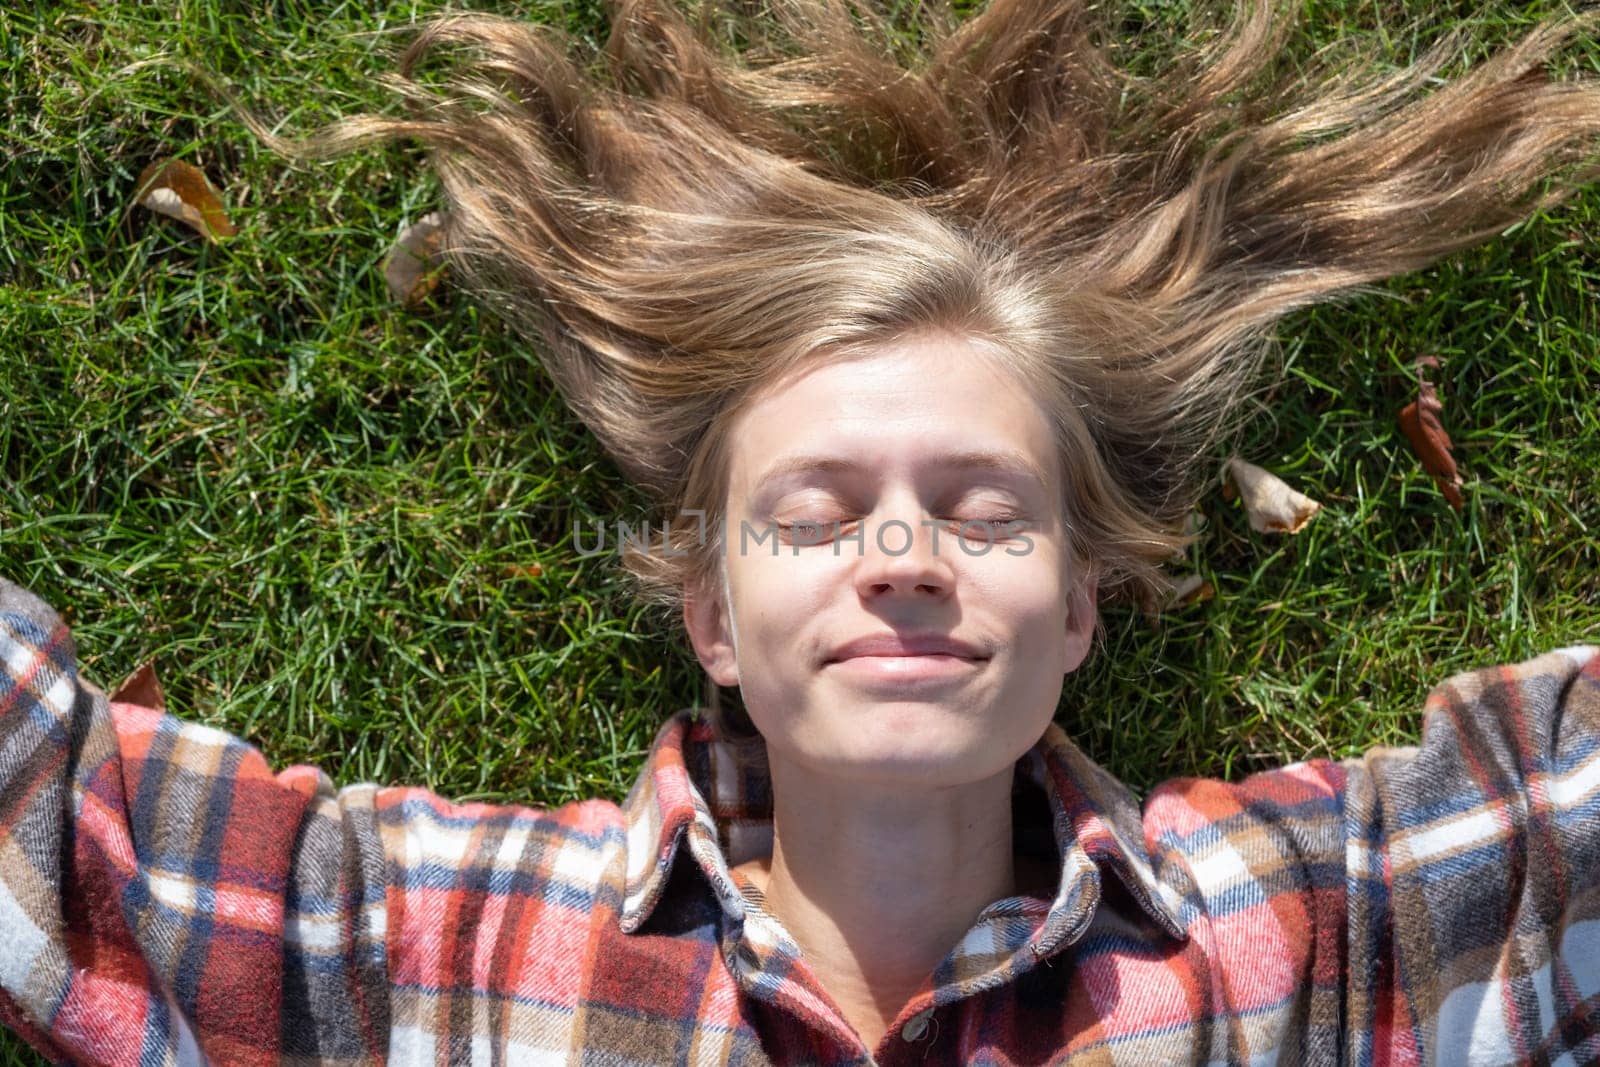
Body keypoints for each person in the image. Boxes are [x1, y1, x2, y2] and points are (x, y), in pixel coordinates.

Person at [3, 0, 1600, 1063]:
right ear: (711, 616)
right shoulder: (440, 939)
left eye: (985, 513)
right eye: (814, 515)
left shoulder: (1308, 926)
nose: (903, 554)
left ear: (1082, 609)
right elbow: (58, 826)